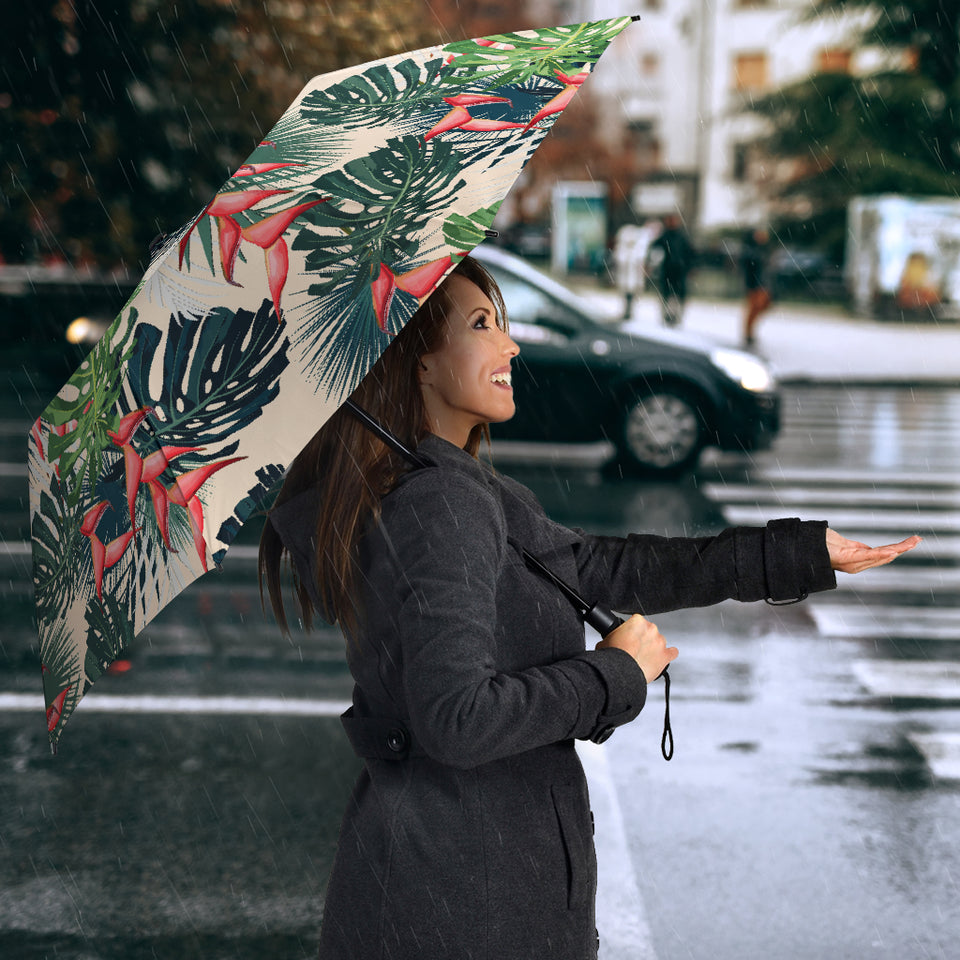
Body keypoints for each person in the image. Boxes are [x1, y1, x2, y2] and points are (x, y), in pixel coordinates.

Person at [258, 255, 919, 960]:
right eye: (482, 325)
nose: (510, 345)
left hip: (452, 883)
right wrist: (614, 674)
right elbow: (456, 719)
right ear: (417, 362)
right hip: (467, 903)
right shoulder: (440, 504)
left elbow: (604, 567)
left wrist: (796, 554)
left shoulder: (448, 488)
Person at [648, 213, 695, 327]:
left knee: (677, 295)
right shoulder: (665, 236)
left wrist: (690, 267)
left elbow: (690, 253)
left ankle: (675, 316)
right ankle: (667, 315)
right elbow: (654, 249)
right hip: (668, 270)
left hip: (679, 271)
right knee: (667, 294)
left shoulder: (681, 237)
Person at [741, 226, 773, 347]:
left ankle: (750, 331)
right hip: (755, 284)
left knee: (762, 306)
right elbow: (750, 265)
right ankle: (748, 333)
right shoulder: (751, 250)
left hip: (763, 283)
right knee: (754, 308)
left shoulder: (763, 249)